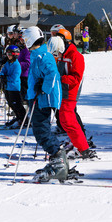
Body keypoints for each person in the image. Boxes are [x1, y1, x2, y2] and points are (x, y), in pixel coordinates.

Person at [22, 26, 69, 182]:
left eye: (24, 40)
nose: (23, 43)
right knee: (40, 131)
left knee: (41, 131)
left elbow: (52, 75)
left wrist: (43, 88)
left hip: (44, 99)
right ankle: (58, 158)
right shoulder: (37, 55)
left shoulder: (43, 56)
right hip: (37, 98)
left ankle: (58, 159)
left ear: (30, 39)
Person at [56, 28, 96, 159]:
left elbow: (76, 78)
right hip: (62, 91)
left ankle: (83, 149)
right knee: (64, 121)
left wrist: (59, 78)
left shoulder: (75, 56)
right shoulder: (62, 54)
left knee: (69, 121)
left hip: (70, 93)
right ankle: (77, 144)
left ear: (65, 41)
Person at [0, 45, 27, 128]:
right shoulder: (8, 63)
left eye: (10, 54)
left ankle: (24, 120)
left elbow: (14, 77)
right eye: (7, 54)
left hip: (14, 88)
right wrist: (2, 75)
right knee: (11, 104)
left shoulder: (17, 65)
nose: (8, 56)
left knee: (17, 104)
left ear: (15, 54)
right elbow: (3, 71)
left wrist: (6, 78)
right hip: (8, 87)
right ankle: (18, 118)